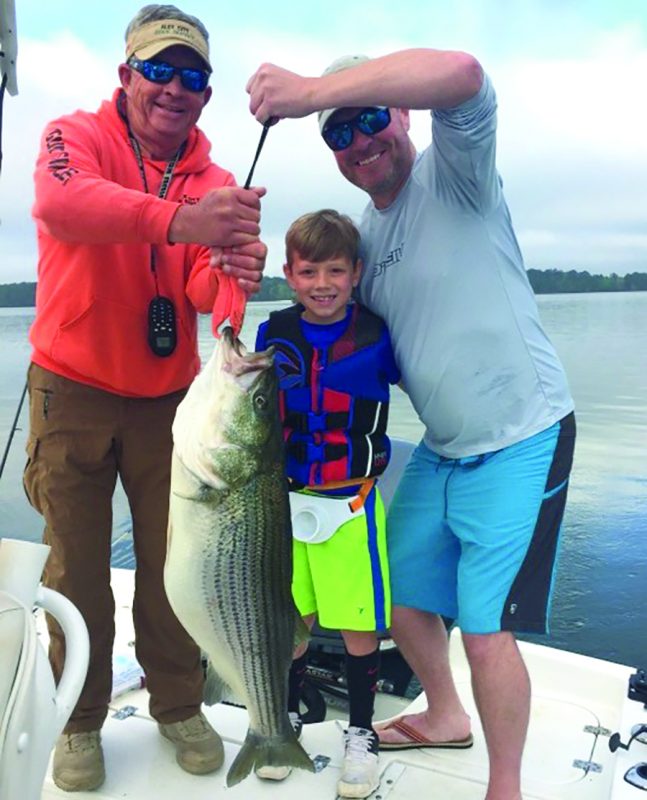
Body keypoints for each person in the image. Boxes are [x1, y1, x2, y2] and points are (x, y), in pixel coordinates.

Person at [246, 50, 576, 800]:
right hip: (443, 450)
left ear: (400, 113)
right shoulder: (363, 236)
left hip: (522, 435)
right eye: (338, 134)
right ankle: (444, 712)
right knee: (395, 590)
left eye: (371, 119)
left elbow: (461, 74)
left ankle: (503, 786)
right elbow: (335, 335)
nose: (360, 142)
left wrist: (311, 96)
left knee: (487, 623)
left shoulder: (454, 172)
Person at [24, 4, 267, 793]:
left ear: (205, 93)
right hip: (72, 390)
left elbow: (204, 286)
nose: (173, 87)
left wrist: (233, 273)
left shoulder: (216, 181)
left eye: (191, 76)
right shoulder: (75, 137)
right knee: (77, 572)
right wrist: (179, 218)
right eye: (158, 69)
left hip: (173, 404)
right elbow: (64, 205)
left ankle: (177, 705)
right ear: (127, 74)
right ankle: (81, 720)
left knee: (177, 566)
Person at [255, 209, 400, 798]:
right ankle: (286, 719)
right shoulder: (272, 333)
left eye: (335, 270)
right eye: (309, 270)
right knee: (294, 623)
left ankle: (360, 735)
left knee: (360, 628)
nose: (322, 283)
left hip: (351, 505)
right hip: (283, 505)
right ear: (289, 274)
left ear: (356, 273)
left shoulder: (378, 334)